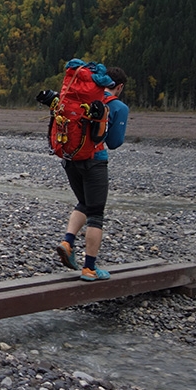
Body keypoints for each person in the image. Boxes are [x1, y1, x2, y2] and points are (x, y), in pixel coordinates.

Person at [55, 66, 129, 281]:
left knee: (84, 203)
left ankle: (68, 241)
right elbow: (114, 142)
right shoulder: (117, 106)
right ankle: (89, 268)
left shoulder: (80, 100)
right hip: (94, 162)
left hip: (70, 159)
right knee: (96, 214)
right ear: (120, 86)